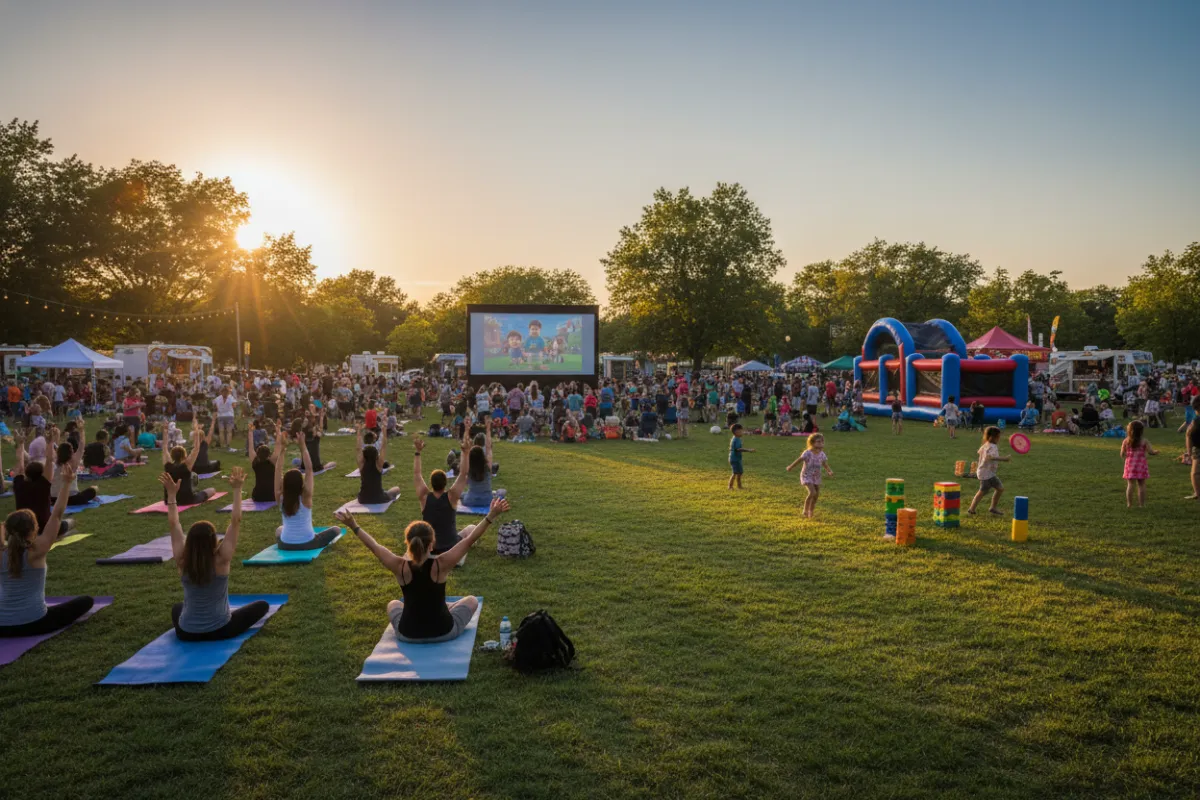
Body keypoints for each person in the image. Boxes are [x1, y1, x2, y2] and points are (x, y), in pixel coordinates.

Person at [336, 495, 510, 643]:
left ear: (408, 543)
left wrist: (354, 525)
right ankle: (446, 606)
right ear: (432, 544)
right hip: (444, 632)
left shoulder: (399, 566)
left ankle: (442, 607)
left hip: (407, 634)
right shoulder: (441, 564)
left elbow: (374, 546)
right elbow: (469, 539)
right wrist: (491, 515)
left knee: (393, 604)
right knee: (471, 600)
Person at [161, 468, 269, 641]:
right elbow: (236, 521)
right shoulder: (221, 559)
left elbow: (174, 524)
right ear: (213, 541)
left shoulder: (182, 560)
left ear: (190, 542)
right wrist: (237, 489)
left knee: (177, 608)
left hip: (186, 633)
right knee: (262, 605)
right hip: (221, 629)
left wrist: (172, 495)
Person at [0, 468, 94, 637]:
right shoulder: (38, 549)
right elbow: (57, 515)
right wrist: (66, 483)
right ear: (33, 529)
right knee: (86, 601)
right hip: (35, 622)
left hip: (2, 625)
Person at [412, 436, 479, 558]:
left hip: (430, 550)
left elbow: (417, 474)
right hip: (451, 549)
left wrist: (418, 452)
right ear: (445, 483)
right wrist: (466, 453)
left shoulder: (424, 497)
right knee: (472, 528)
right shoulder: (451, 496)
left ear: (431, 483)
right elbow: (463, 474)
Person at [273, 430, 341, 550]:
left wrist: (283, 449)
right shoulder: (306, 497)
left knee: (279, 530)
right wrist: (303, 446)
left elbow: (277, 470)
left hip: (285, 545)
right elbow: (309, 469)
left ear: (285, 484)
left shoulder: (280, 497)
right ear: (301, 484)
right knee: (336, 529)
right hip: (309, 543)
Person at [12, 433, 79, 539]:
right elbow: (49, 460)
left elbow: (20, 466)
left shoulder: (19, 484)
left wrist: (20, 444)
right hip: (45, 528)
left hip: (24, 528)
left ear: (26, 473)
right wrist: (50, 442)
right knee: (71, 521)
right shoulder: (43, 484)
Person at [161, 429, 217, 507]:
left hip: (169, 500)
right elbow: (196, 449)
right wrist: (196, 432)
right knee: (212, 490)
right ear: (184, 456)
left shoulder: (168, 466)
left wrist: (165, 433)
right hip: (187, 500)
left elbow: (164, 448)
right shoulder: (186, 466)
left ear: (172, 456)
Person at [787, 432, 834, 519]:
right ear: (812, 443)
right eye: (818, 442)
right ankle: (805, 510)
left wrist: (829, 471)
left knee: (816, 495)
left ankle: (811, 511)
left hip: (816, 476)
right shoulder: (807, 453)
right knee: (812, 492)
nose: (821, 443)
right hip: (806, 475)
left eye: (822, 442)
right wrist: (791, 467)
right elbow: (799, 460)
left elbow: (824, 464)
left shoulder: (822, 454)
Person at [356, 416, 401, 505]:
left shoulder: (361, 464)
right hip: (379, 498)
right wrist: (384, 430)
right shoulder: (379, 464)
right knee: (397, 489)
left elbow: (358, 448)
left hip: (363, 499)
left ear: (364, 455)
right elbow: (383, 447)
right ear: (376, 456)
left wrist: (359, 431)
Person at [967, 426, 1010, 516]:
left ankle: (990, 508)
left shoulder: (985, 445)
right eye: (998, 436)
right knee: (984, 491)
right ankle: (973, 509)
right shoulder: (993, 446)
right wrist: (1004, 459)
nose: (999, 438)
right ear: (994, 437)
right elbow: (990, 457)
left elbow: (979, 453)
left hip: (984, 472)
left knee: (998, 489)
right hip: (987, 474)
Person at [1120, 420, 1158, 508]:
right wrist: (1155, 452)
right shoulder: (1144, 441)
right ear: (1141, 431)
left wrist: (1127, 456)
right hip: (1141, 466)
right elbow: (1151, 452)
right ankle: (1141, 504)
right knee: (1141, 484)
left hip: (1130, 466)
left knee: (1130, 484)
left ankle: (1129, 504)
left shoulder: (1126, 441)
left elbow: (1122, 454)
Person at [460, 416, 495, 507]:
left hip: (470, 500)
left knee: (461, 494)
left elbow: (464, 449)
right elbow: (488, 447)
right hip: (487, 500)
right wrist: (488, 429)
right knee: (501, 492)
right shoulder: (488, 467)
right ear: (483, 456)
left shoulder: (468, 467)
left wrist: (467, 429)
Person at [249, 423, 283, 504]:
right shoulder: (272, 462)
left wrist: (250, 432)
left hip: (258, 496)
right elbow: (278, 444)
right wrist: (278, 430)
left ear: (257, 454)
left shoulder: (255, 463)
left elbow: (250, 446)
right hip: (272, 496)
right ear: (269, 454)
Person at [728, 423, 754, 490]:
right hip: (734, 459)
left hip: (736, 458)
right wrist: (748, 450)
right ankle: (731, 486)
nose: (742, 432)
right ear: (737, 432)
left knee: (739, 472)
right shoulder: (736, 439)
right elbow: (738, 449)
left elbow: (742, 433)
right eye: (741, 431)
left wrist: (747, 433)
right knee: (735, 473)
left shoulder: (736, 437)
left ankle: (739, 486)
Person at [214, 385, 237, 451]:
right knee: (229, 432)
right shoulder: (231, 397)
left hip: (220, 416)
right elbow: (234, 406)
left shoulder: (217, 398)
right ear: (228, 392)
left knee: (221, 431)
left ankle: (222, 446)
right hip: (229, 415)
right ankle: (227, 446)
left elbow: (215, 407)